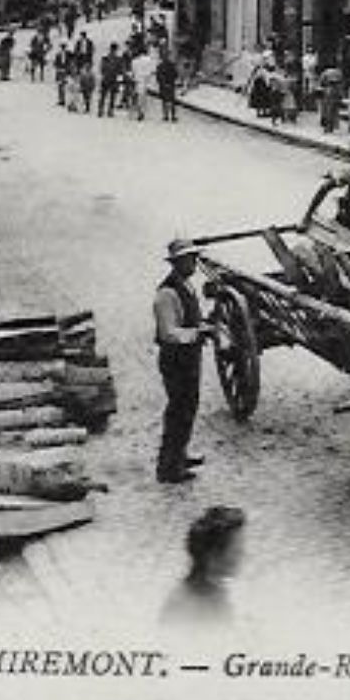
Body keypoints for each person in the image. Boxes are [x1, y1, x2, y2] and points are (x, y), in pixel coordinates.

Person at [153, 239, 216, 484]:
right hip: (176, 359)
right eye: (190, 259)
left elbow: (188, 321)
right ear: (178, 263)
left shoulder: (186, 286)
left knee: (188, 408)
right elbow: (169, 332)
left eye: (194, 258)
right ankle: (168, 468)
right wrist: (198, 334)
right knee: (178, 410)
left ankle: (179, 455)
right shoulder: (166, 294)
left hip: (188, 357)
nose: (194, 264)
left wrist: (202, 326)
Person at [160, 506, 247, 627]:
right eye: (237, 550)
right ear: (212, 557)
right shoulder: (184, 607)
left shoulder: (216, 591)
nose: (243, 554)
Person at [129, 47, 157, 122]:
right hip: (146, 80)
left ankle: (138, 111)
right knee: (143, 98)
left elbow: (133, 71)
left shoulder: (134, 61)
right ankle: (141, 111)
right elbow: (152, 71)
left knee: (137, 96)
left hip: (137, 80)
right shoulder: (149, 60)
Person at [98, 44, 123, 118]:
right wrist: (119, 81)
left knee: (105, 95)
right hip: (112, 79)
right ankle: (109, 111)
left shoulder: (105, 58)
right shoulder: (118, 59)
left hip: (107, 79)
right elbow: (120, 71)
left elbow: (102, 69)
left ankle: (102, 110)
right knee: (110, 96)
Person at [318, 66, 345, 134]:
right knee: (335, 110)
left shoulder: (325, 73)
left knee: (328, 111)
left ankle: (328, 127)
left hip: (328, 94)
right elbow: (342, 82)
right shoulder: (338, 73)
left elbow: (321, 83)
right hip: (336, 93)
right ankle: (334, 126)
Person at [156, 49, 180, 122]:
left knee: (164, 100)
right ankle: (173, 116)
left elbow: (158, 76)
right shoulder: (172, 65)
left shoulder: (160, 66)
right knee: (172, 100)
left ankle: (165, 115)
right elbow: (176, 75)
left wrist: (161, 83)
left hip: (163, 85)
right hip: (171, 84)